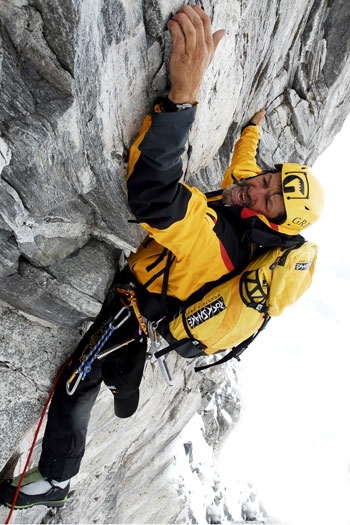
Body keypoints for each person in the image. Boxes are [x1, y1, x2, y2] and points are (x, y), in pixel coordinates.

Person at [0, 5, 324, 510]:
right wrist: (252, 131)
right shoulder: (247, 212)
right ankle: (123, 380)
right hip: (152, 298)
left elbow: (152, 195)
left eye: (267, 199)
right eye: (267, 181)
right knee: (94, 373)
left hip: (136, 310)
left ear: (274, 228)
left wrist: (183, 100)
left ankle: (56, 482)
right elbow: (242, 170)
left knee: (71, 386)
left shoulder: (219, 245)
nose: (254, 190)